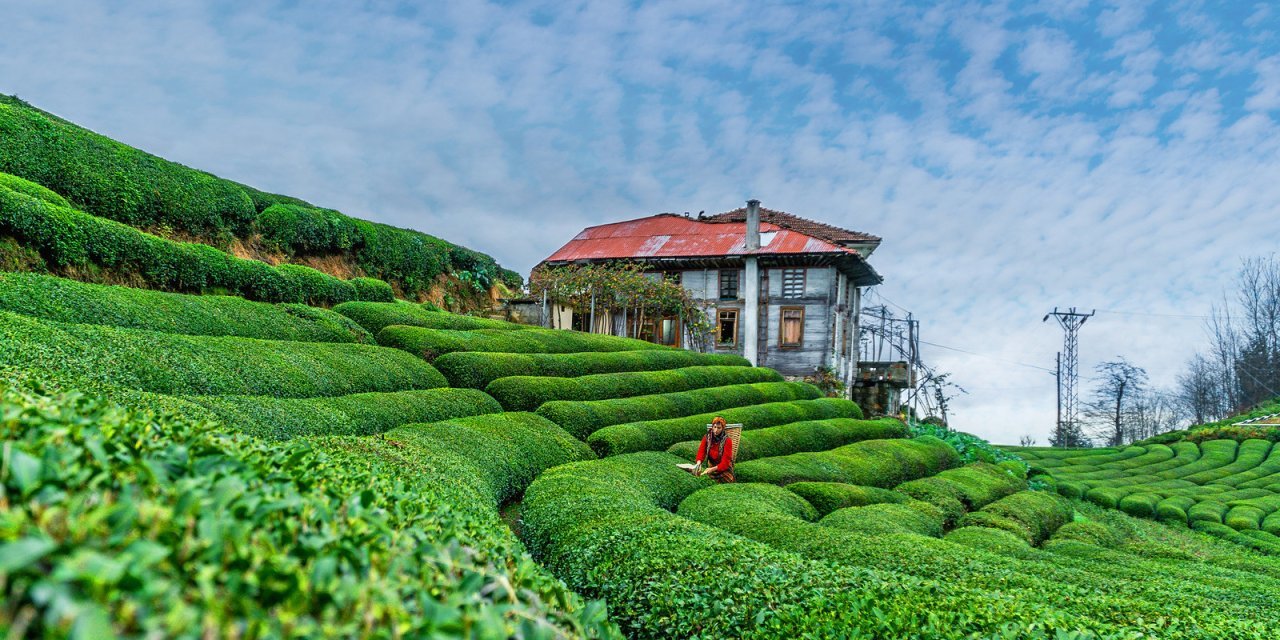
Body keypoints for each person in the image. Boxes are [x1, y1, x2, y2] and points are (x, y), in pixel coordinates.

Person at [692, 416, 735, 483]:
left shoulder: (727, 441)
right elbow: (701, 451)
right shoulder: (707, 437)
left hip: (723, 469)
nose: (716, 430)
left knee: (727, 480)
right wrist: (698, 463)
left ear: (723, 428)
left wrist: (712, 469)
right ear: (712, 427)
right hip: (711, 466)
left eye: (719, 428)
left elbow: (725, 463)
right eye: (714, 427)